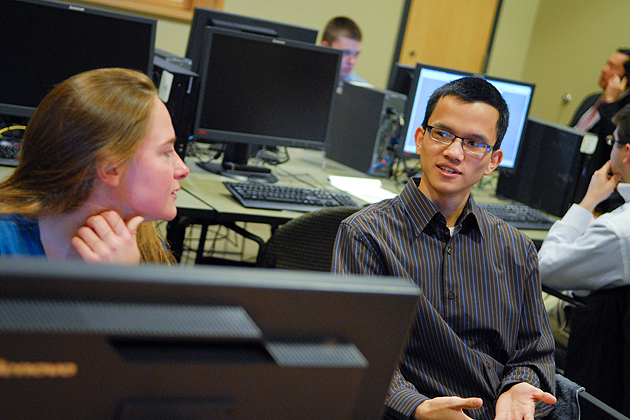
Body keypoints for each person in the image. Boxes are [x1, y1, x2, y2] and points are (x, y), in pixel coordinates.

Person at [333, 76, 556, 420]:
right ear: (420, 139)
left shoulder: (516, 248)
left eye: (473, 143)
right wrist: (416, 407)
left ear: (493, 159)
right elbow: (356, 350)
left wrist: (518, 387)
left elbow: (535, 353)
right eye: (442, 134)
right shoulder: (366, 234)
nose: (453, 152)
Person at [0, 67, 190, 264]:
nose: (183, 170)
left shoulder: (138, 247)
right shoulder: (6, 244)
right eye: (166, 152)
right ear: (110, 168)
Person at [538, 104, 630, 416]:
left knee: (515, 301)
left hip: (605, 354)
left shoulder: (618, 230)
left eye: (612, 142)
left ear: (626, 153)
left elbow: (545, 268)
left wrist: (588, 201)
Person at [570, 48, 630, 212]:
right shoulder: (592, 99)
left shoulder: (624, 111)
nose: (604, 69)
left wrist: (611, 102)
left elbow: (613, 143)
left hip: (598, 194)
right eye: (606, 64)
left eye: (612, 67)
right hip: (569, 177)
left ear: (625, 79)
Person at [321, 16, 368, 84]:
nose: (352, 61)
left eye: (356, 54)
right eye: (345, 53)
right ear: (325, 47)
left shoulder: (363, 91)